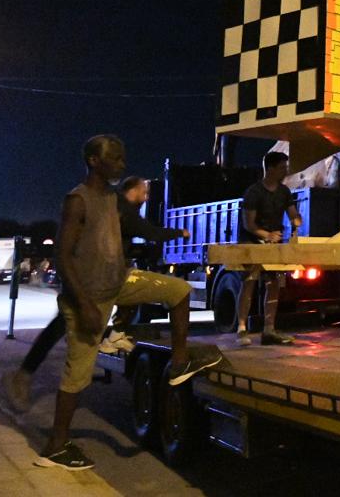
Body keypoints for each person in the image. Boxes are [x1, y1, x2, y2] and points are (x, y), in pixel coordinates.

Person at [32, 135, 219, 470]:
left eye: (122, 158)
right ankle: (55, 446)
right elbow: (62, 257)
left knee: (179, 291)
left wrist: (173, 234)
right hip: (87, 297)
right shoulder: (78, 199)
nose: (121, 164)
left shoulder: (113, 199)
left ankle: (178, 365)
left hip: (119, 283)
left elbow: (141, 228)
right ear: (93, 160)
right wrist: (86, 305)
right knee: (77, 376)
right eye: (115, 158)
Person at [0, 175, 190, 412]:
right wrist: (179, 233)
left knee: (64, 325)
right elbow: (148, 231)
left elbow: (127, 239)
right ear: (132, 191)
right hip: (92, 277)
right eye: (144, 192)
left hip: (100, 274)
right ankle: (24, 379)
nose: (146, 197)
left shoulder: (115, 205)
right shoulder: (121, 207)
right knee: (64, 327)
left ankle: (27, 375)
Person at [236, 151, 303, 346]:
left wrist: (296, 219)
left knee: (274, 285)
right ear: (271, 169)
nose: (286, 170)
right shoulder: (253, 192)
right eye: (283, 167)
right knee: (249, 281)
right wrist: (267, 235)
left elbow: (292, 213)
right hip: (252, 241)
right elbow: (249, 224)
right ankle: (241, 329)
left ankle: (269, 329)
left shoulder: (284, 192)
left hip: (274, 242)